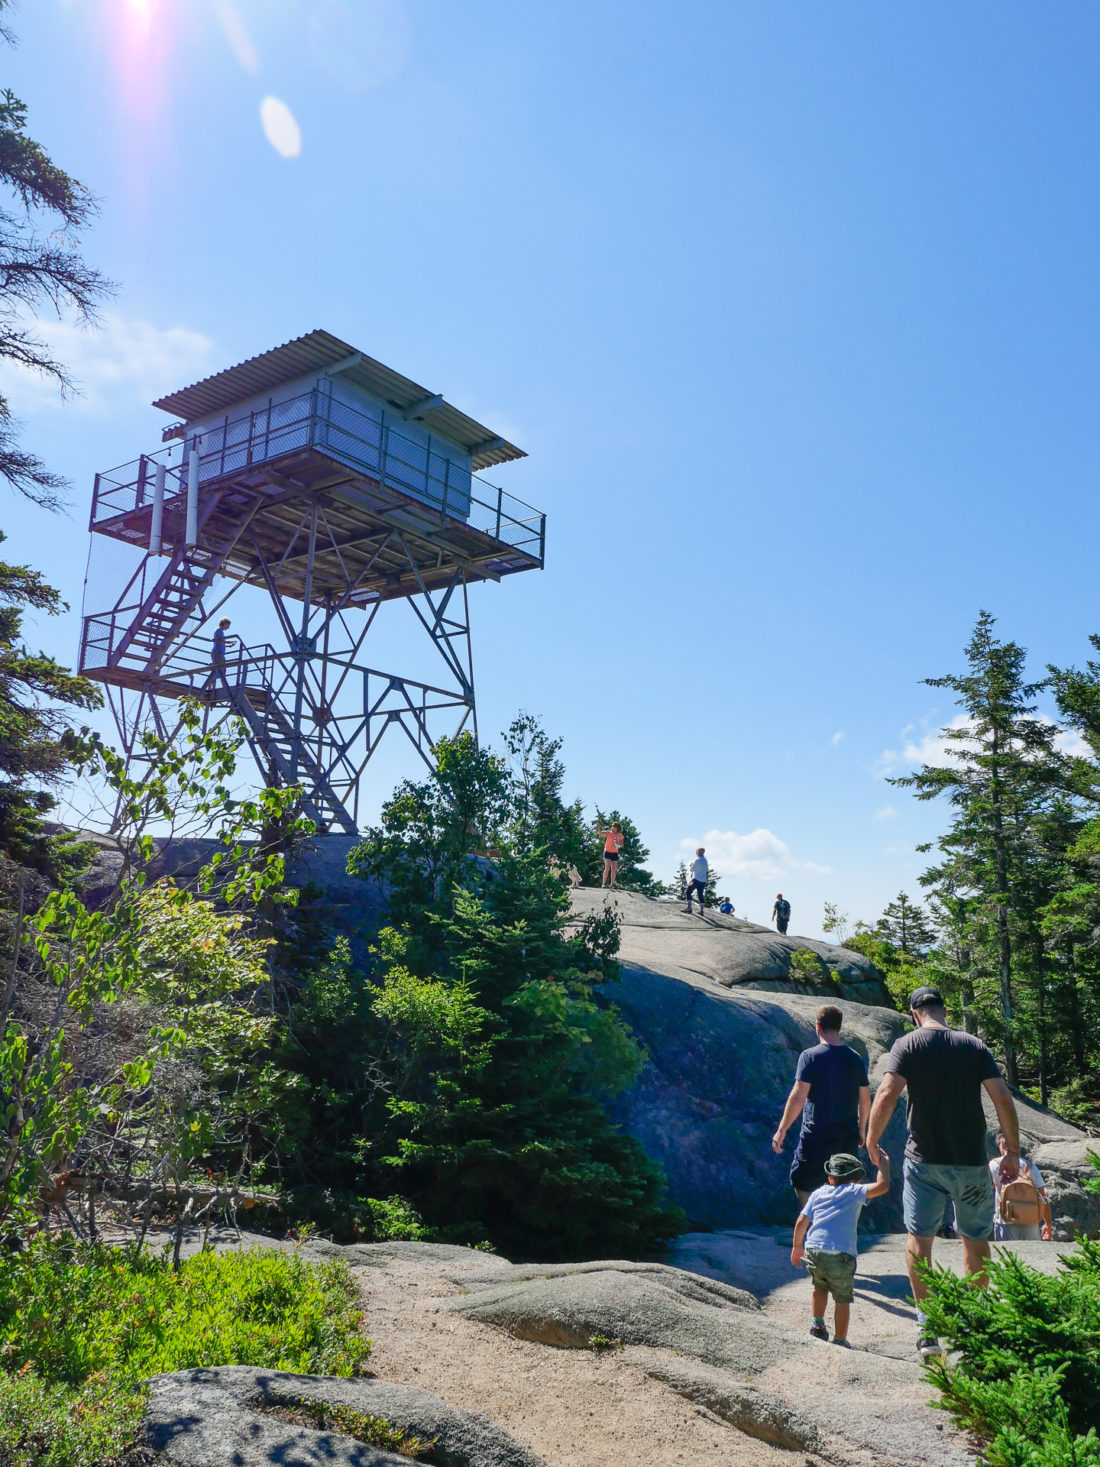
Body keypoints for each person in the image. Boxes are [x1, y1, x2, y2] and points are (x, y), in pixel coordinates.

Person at [866, 985, 1022, 1360]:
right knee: (975, 1240)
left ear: (914, 1013)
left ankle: (928, 1329)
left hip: (923, 1161)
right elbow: (1002, 1097)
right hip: (970, 1161)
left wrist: (871, 1141)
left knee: (919, 1239)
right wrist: (1012, 1151)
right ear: (943, 1010)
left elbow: (887, 1093)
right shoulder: (973, 1045)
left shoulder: (906, 1045)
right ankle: (972, 1324)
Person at [772, 1004, 871, 1204]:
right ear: (839, 1027)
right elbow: (865, 1099)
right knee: (845, 1186)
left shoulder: (810, 1056)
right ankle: (836, 1227)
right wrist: (862, 1129)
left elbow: (798, 1097)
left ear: (818, 1026)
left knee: (802, 1181)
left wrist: (782, 1129)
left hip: (816, 1135)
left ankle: (815, 1224)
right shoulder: (855, 1058)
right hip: (847, 1135)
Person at [791, 1149, 891, 1347]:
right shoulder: (854, 1192)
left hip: (814, 1250)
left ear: (830, 1178)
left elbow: (802, 1220)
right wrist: (884, 1166)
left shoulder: (818, 1193)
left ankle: (817, 1325)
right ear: (855, 1179)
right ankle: (840, 1340)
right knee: (842, 1298)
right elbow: (883, 1186)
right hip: (841, 1254)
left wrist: (796, 1246)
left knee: (819, 1288)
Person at [989, 1131, 1052, 1242]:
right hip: (1031, 1222)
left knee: (1007, 1257)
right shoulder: (1031, 1167)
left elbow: (985, 1193)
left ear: (1002, 1144)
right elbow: (1043, 1198)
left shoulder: (994, 1165)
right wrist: (1048, 1224)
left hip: (1005, 1222)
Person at [208, 616, 239, 695]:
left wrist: (228, 645)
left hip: (220, 652)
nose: (228, 627)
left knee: (222, 670)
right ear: (224, 623)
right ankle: (211, 686)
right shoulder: (218, 630)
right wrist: (228, 642)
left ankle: (222, 686)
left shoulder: (221, 631)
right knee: (218, 670)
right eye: (228, 625)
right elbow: (218, 640)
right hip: (217, 652)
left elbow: (220, 642)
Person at [599, 822, 624, 888]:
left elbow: (621, 845)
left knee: (613, 869)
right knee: (607, 867)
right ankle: (603, 884)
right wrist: (598, 827)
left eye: (615, 827)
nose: (613, 828)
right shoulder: (609, 832)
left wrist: (618, 843)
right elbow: (600, 833)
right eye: (613, 827)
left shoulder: (620, 835)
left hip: (614, 853)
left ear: (618, 828)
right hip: (607, 852)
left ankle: (612, 884)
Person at [684, 848, 708, 914]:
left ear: (699, 852)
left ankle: (689, 908)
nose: (696, 852)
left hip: (696, 879)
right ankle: (701, 910)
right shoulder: (705, 860)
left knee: (688, 892)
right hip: (703, 881)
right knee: (700, 894)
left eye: (697, 851)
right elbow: (706, 870)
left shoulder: (697, 860)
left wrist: (691, 865)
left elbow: (691, 869)